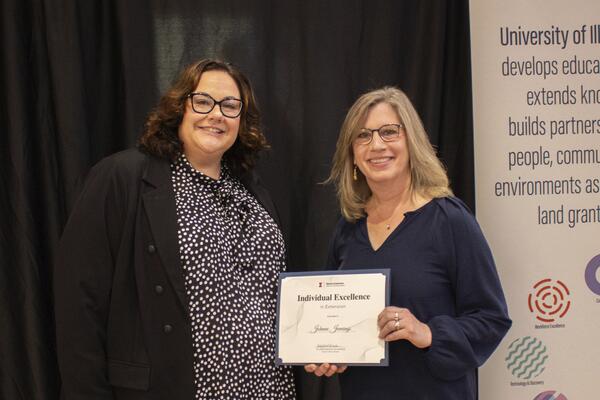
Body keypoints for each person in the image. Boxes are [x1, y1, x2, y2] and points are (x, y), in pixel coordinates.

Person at [54, 59, 296, 399]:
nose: (217, 114)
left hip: (267, 390)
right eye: (203, 101)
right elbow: (79, 304)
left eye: (230, 106)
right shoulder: (123, 178)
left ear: (242, 121)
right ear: (179, 107)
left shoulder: (254, 194)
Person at [305, 87, 511, 399]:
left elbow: (491, 319)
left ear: (411, 142)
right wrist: (329, 351)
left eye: (389, 132)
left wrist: (428, 332)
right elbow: (332, 316)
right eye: (362, 136)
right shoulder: (347, 230)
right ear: (352, 155)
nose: (376, 145)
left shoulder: (449, 221)